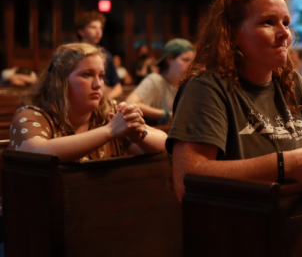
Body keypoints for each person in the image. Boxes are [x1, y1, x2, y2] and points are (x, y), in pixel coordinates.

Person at [166, 0, 302, 201]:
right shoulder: (206, 88)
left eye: (285, 22)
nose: (285, 33)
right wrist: (285, 164)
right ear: (232, 34)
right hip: (239, 227)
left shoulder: (292, 82)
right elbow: (188, 181)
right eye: (268, 22)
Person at [8, 43, 167, 163]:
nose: (98, 84)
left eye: (101, 76)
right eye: (87, 75)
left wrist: (139, 135)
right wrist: (109, 131)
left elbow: (164, 143)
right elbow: (36, 151)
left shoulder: (108, 110)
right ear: (60, 81)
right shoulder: (32, 114)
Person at [126, 39, 194, 126]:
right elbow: (130, 103)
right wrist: (166, 115)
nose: (190, 65)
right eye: (185, 60)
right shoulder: (155, 80)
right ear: (169, 59)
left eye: (192, 61)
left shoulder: (189, 83)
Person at [76, 11, 122, 99]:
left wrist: (104, 100)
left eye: (100, 28)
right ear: (81, 32)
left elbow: (118, 87)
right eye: (93, 27)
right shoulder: (72, 54)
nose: (98, 32)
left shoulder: (106, 55)